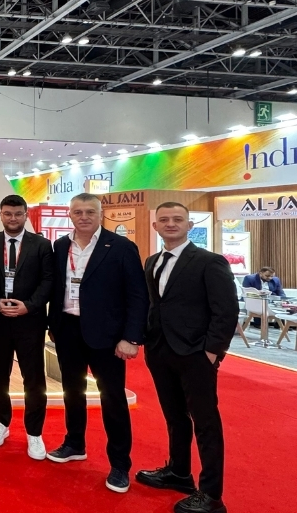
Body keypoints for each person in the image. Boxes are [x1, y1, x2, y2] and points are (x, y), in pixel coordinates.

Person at [137, 203, 237, 513]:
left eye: (177, 219)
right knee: (174, 416)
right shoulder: (152, 261)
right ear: (155, 226)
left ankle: (211, 495)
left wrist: (212, 352)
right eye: (164, 220)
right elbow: (154, 305)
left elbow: (226, 310)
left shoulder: (209, 261)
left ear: (189, 225)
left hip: (196, 354)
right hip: (159, 351)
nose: (171, 224)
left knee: (205, 423)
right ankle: (179, 473)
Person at [46, 193, 148, 494]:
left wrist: (131, 337)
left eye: (90, 212)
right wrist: (53, 325)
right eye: (78, 212)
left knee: (112, 399)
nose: (84, 217)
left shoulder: (121, 247)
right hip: (68, 330)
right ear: (70, 215)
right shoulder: (60, 246)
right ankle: (74, 443)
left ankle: (119, 465)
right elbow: (57, 288)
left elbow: (137, 295)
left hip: (107, 336)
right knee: (72, 391)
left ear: (100, 214)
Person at [0, 195, 54, 460]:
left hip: (29, 322)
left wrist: (29, 306)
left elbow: (48, 281)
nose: (13, 218)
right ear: (1, 214)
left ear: (26, 215)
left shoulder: (41, 245)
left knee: (33, 379)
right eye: (8, 214)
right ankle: (1, 421)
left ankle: (34, 432)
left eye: (18, 214)